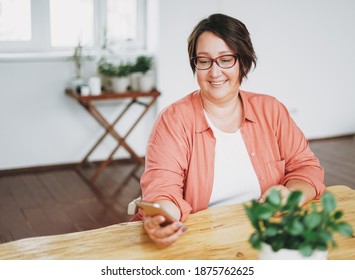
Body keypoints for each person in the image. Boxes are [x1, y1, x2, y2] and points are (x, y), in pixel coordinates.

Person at [132, 13, 326, 247]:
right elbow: (162, 188)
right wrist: (162, 216)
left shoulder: (271, 109)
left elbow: (305, 167)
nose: (214, 72)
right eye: (204, 61)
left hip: (270, 233)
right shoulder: (173, 120)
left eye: (225, 59)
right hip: (202, 242)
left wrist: (292, 196)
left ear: (243, 62)